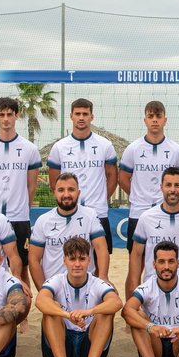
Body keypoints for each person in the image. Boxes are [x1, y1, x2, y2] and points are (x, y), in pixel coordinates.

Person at [35, 236, 122, 357]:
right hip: (61, 344)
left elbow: (116, 302)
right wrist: (67, 315)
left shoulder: (97, 282)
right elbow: (40, 301)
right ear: (64, 260)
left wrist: (88, 312)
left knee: (105, 313)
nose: (77, 264)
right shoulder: (57, 280)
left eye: (82, 259)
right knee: (51, 312)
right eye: (72, 259)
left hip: (89, 345)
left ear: (89, 260)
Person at [0, 95, 43, 271]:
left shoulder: (29, 149)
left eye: (9, 114)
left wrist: (24, 209)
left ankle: (22, 299)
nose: (5, 119)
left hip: (19, 217)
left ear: (16, 116)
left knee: (21, 266)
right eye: (1, 114)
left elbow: (31, 185)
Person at [126, 166, 179, 294]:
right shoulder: (147, 217)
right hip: (155, 282)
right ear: (161, 187)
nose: (172, 190)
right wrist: (134, 286)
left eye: (177, 185)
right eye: (168, 185)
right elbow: (136, 254)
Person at [47, 98, 118, 251]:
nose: (81, 117)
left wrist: (102, 198)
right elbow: (54, 182)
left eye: (85, 114)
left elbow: (113, 176)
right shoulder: (59, 147)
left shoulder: (105, 145)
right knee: (71, 257)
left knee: (101, 259)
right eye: (77, 113)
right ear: (71, 116)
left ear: (92, 117)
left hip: (98, 212)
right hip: (70, 211)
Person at [119, 101, 179, 251]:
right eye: (150, 116)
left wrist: (172, 198)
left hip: (166, 212)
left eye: (158, 116)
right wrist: (137, 195)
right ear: (145, 120)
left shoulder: (176, 150)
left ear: (165, 120)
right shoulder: (133, 148)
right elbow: (123, 178)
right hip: (138, 212)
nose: (155, 120)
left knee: (166, 261)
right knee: (136, 262)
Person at [28, 172, 109, 293]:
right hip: (55, 288)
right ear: (54, 192)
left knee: (111, 304)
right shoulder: (43, 221)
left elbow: (101, 248)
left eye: (71, 189)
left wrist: (103, 277)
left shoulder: (90, 215)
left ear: (79, 193)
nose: (66, 194)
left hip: (85, 286)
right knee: (49, 312)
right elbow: (33, 258)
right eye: (61, 190)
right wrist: (44, 291)